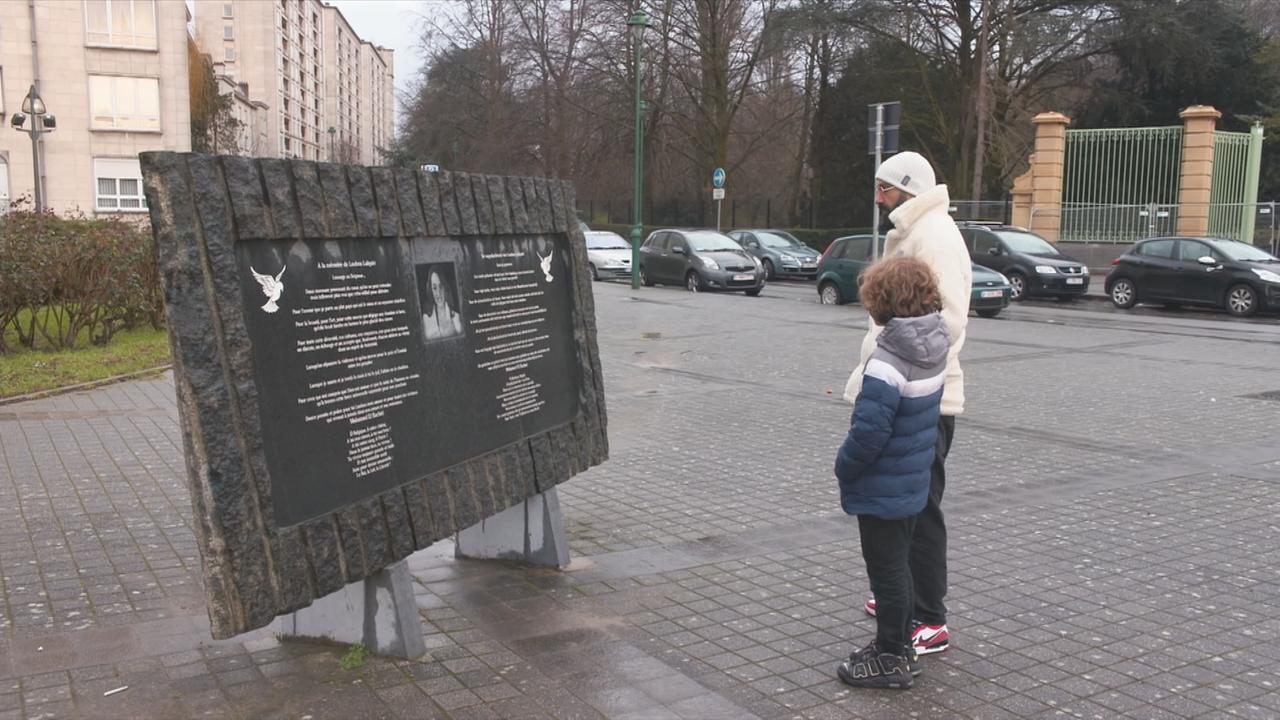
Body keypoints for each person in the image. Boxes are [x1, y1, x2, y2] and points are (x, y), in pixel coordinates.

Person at [844, 151, 970, 656]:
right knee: (904, 506)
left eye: (885, 188)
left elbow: (948, 320)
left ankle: (930, 616)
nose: (877, 197)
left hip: (921, 398)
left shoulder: (934, 236)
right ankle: (901, 595)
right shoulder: (916, 231)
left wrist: (902, 374)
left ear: (909, 190)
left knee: (920, 506)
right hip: (912, 390)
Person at [834, 256, 949, 690]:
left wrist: (844, 466)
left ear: (881, 300)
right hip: (912, 479)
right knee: (898, 567)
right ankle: (897, 646)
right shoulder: (935, 344)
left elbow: (869, 432)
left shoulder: (887, 360)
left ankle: (890, 656)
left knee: (887, 572)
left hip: (883, 486)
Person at [423, 267, 464, 340]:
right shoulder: (426, 320)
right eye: (435, 288)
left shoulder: (457, 317)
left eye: (441, 286)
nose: (438, 293)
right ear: (430, 290)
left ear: (445, 287)